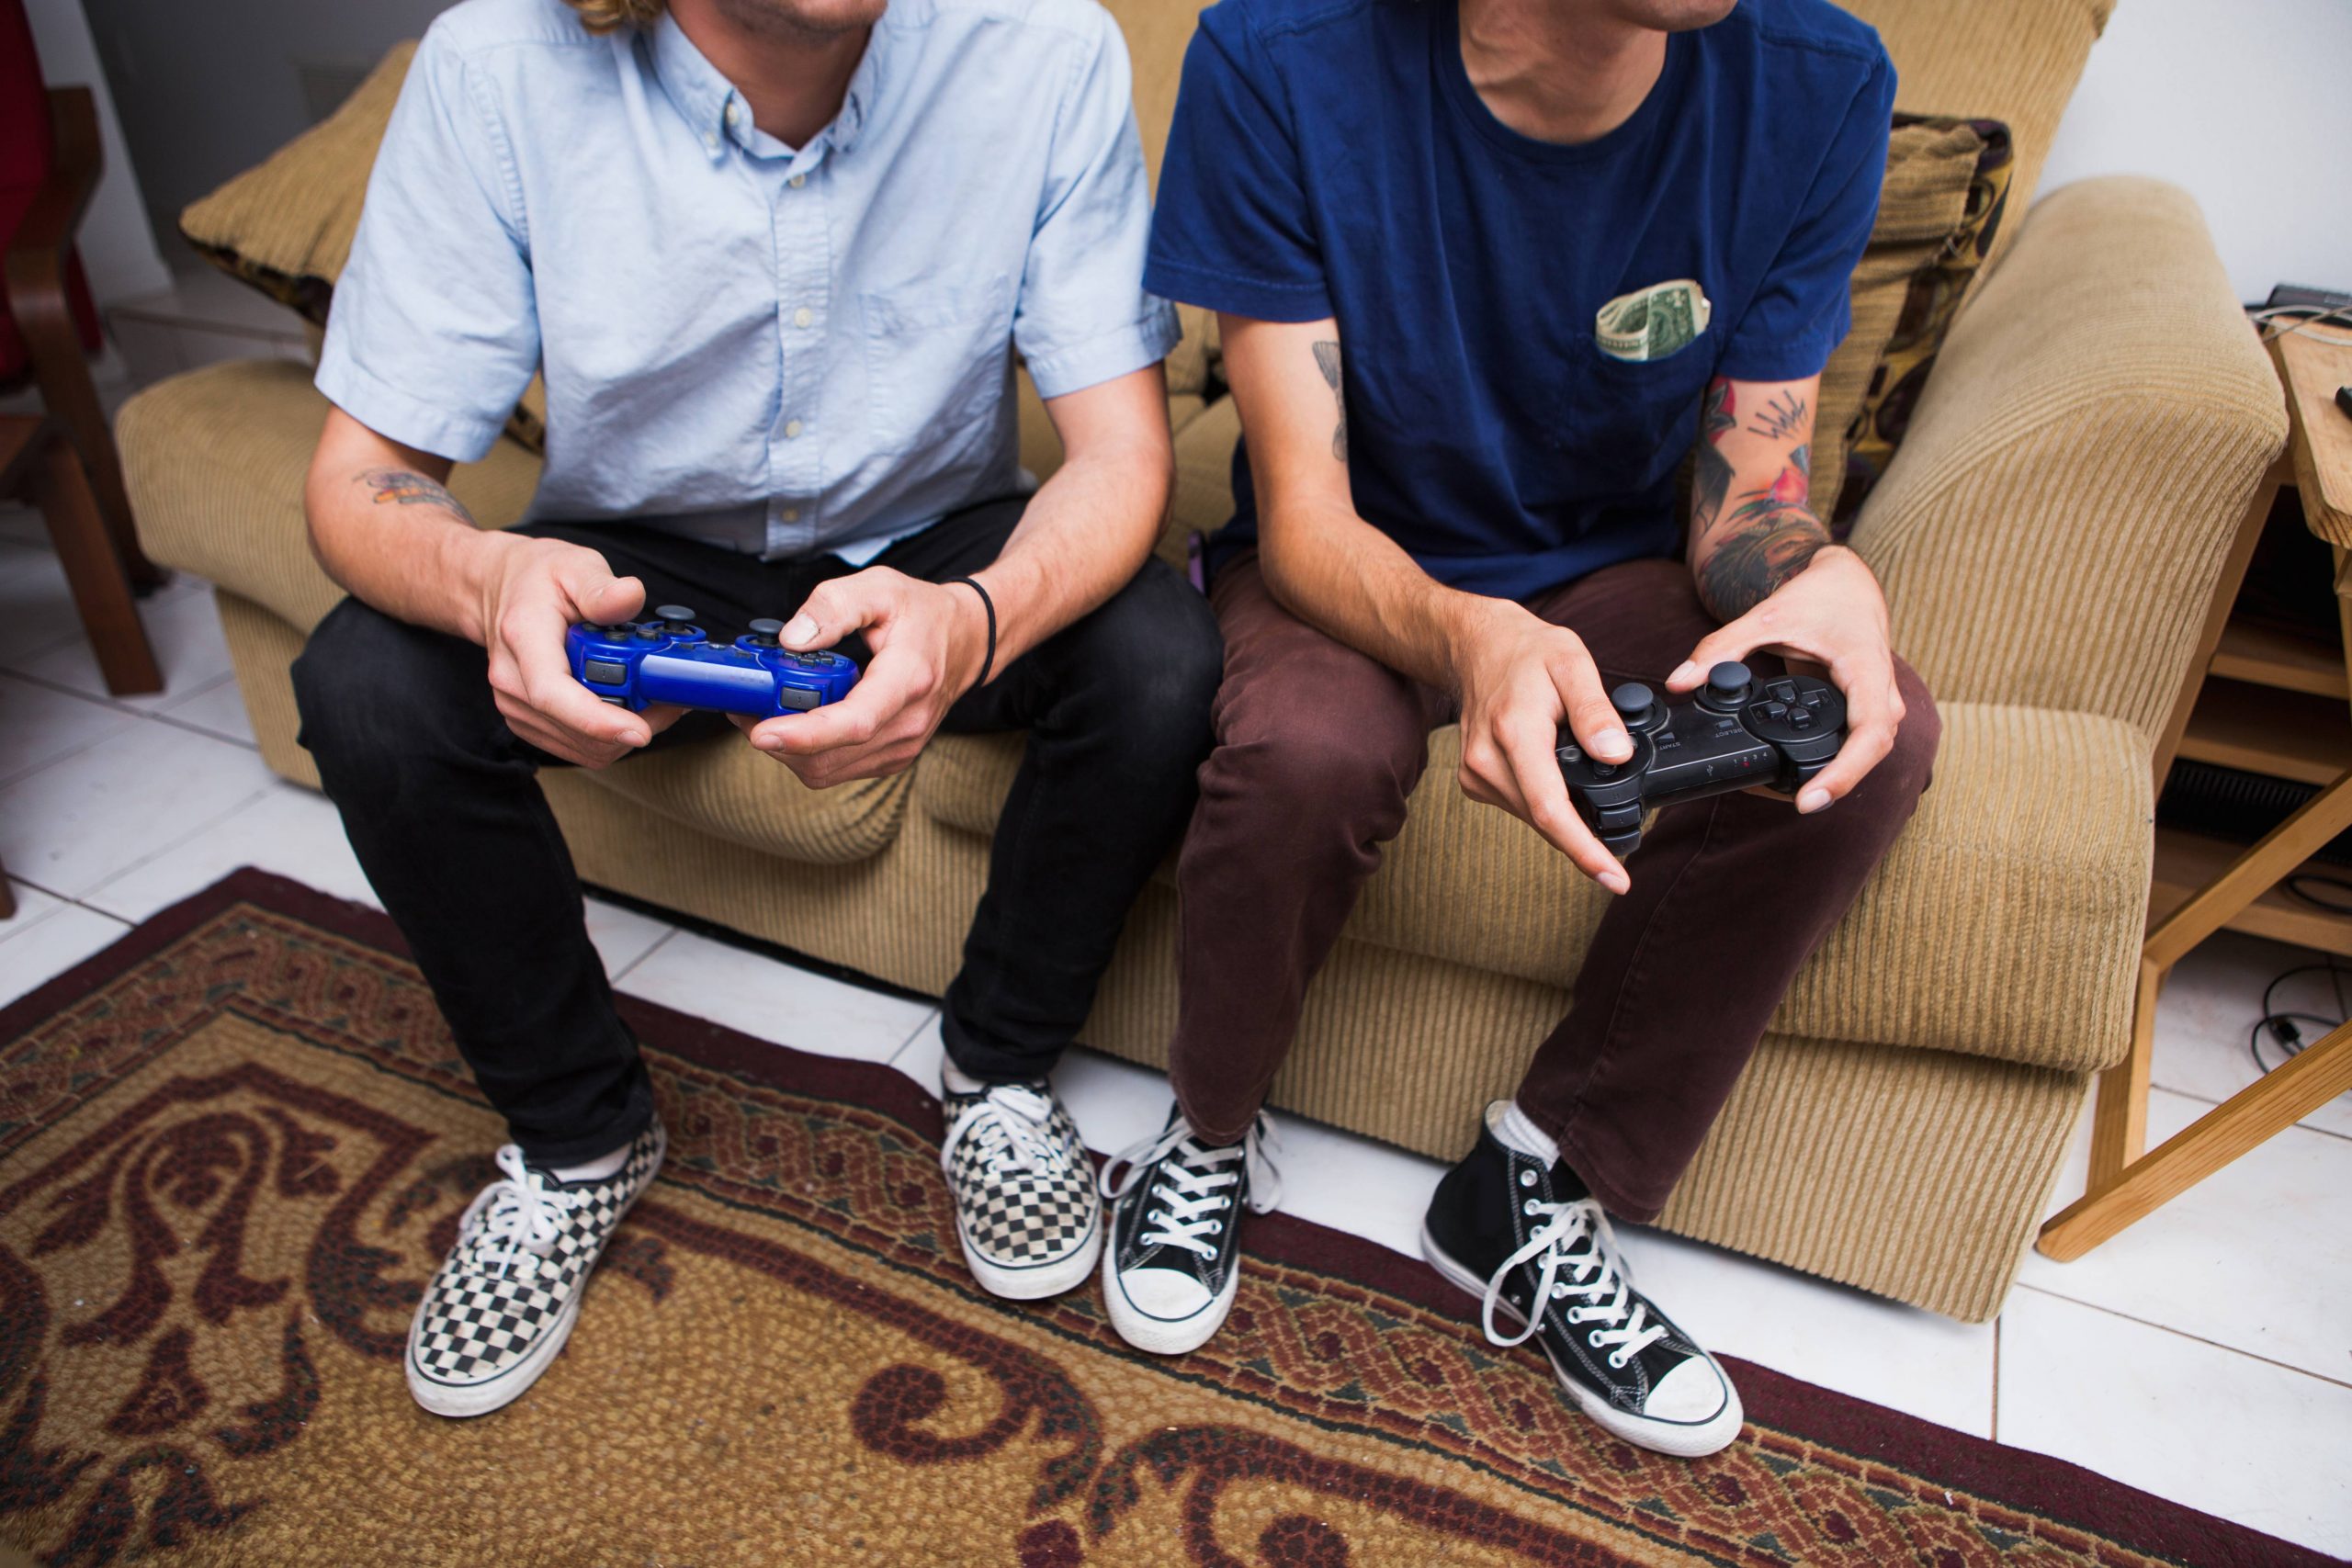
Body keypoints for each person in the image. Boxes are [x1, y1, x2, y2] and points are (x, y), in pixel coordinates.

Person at [291, 0, 1221, 1418]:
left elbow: (1120, 455)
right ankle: (580, 1137)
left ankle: (997, 1075)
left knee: (1160, 652)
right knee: (362, 681)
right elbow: (357, 481)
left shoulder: (1045, 47)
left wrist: (973, 623)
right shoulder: (494, 67)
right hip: (633, 554)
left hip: (926, 538)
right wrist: (488, 583)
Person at [1102, 0, 1940, 1458]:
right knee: (1313, 750)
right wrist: (1473, 637)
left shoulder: (1819, 80)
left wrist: (1825, 575)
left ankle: (1536, 1184)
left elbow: (1751, 492)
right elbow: (1304, 520)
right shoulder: (1279, 55)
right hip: (1349, 559)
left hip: (1613, 566)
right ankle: (1209, 1135)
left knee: (1862, 730)